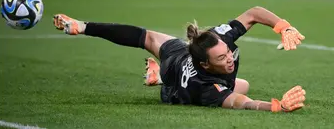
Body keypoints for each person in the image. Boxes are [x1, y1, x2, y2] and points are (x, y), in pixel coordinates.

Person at [53, 6, 306, 112]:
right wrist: (274, 106)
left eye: (228, 52)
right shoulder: (205, 87)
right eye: (222, 57)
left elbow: (254, 13)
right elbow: (242, 103)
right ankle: (160, 79)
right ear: (205, 64)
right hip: (176, 80)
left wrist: (283, 27)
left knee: (147, 37)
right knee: (243, 88)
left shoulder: (218, 39)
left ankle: (83, 26)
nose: (229, 58)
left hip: (181, 51)